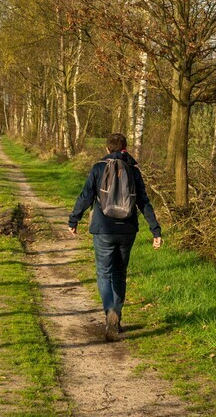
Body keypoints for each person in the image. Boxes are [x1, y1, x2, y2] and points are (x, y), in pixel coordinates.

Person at [68, 132, 162, 342]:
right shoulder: (134, 171)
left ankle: (109, 310)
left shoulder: (98, 168)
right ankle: (116, 316)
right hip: (127, 230)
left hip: (103, 229)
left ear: (107, 149)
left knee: (104, 273)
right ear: (125, 148)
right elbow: (144, 202)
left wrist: (74, 220)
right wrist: (155, 230)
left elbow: (86, 196)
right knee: (120, 273)